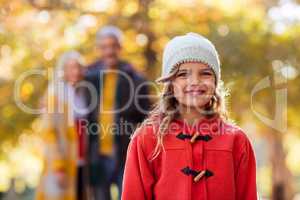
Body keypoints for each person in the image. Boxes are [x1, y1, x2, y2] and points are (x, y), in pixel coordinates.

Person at [122, 32, 258, 200]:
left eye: (205, 73)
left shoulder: (237, 141)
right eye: (182, 74)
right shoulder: (147, 139)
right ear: (170, 84)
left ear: (215, 82)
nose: (195, 81)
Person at [85, 25, 151, 200]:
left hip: (125, 152)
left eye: (113, 46)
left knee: (128, 195)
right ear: (99, 49)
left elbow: (147, 117)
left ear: (120, 48)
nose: (109, 51)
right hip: (96, 153)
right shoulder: (89, 76)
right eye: (104, 47)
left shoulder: (135, 78)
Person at [35, 51, 89, 200]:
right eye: (70, 68)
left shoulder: (82, 94)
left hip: (80, 161)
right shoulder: (54, 94)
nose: (76, 72)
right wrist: (58, 167)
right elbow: (49, 133)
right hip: (62, 162)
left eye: (78, 67)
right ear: (62, 70)